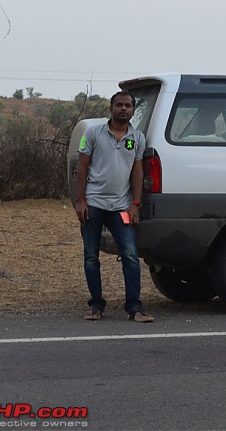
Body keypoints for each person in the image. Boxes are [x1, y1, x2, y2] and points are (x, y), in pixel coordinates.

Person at [74, 91, 154, 323]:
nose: (123, 109)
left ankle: (134, 308)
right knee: (91, 257)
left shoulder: (137, 138)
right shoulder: (92, 134)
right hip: (94, 203)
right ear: (111, 108)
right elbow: (82, 167)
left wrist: (135, 204)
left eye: (128, 105)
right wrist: (81, 200)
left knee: (130, 255)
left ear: (133, 110)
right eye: (119, 105)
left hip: (121, 206)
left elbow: (138, 171)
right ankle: (96, 306)